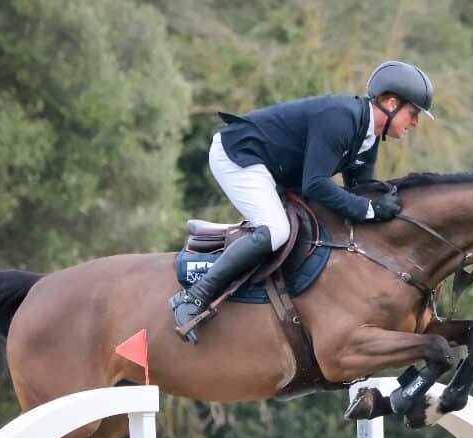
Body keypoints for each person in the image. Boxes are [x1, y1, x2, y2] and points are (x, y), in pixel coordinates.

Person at [170, 60, 435, 342]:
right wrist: (370, 209)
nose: (416, 122)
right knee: (276, 230)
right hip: (240, 155)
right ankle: (192, 298)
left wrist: (392, 205)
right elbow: (316, 183)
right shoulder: (341, 118)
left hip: (275, 168)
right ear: (391, 103)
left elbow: (360, 189)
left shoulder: (368, 137)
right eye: (413, 113)